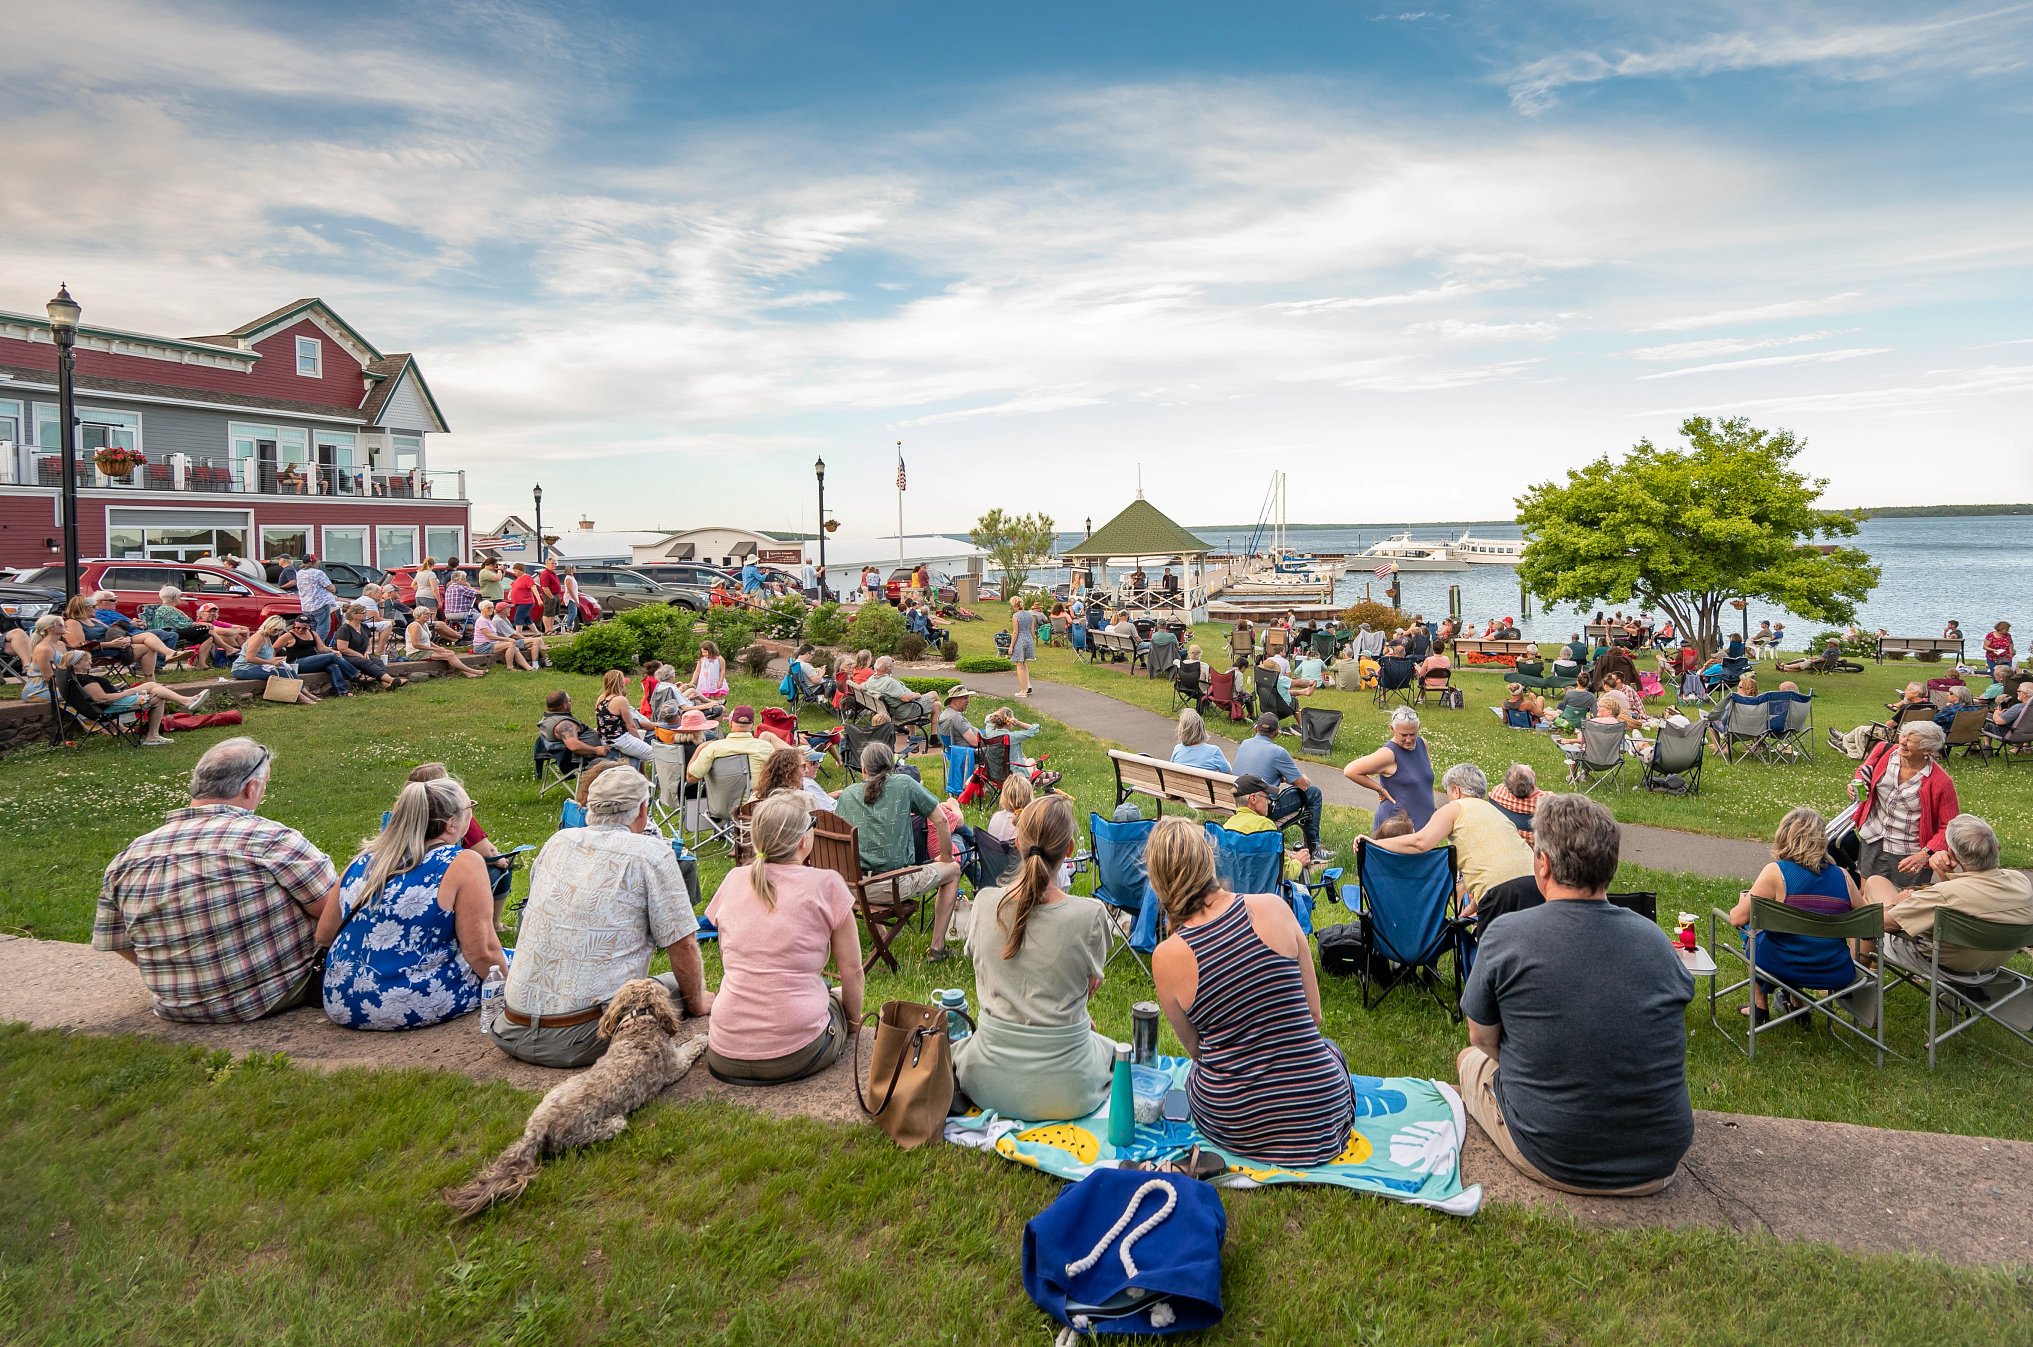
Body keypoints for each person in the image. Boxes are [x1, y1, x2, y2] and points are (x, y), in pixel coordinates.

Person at [1458, 793, 1693, 1196]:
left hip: (1556, 1156)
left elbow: (1481, 1037)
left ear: (1543, 863)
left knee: (1468, 1059)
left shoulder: (1506, 934)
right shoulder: (1655, 941)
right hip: (1659, 1163)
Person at [1146, 817, 1354, 1166]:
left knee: (1199, 1074)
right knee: (1330, 1050)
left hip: (1236, 1121)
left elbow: (1198, 1051)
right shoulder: (1273, 907)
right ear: (1209, 857)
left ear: (1158, 881)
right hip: (1319, 1114)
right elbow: (1314, 1015)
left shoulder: (1166, 957)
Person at [94, 738, 338, 1022]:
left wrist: (188, 975)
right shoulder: (272, 840)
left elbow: (117, 940)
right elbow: (335, 909)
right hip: (270, 995)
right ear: (252, 788)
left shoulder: (130, 855)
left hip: (175, 1005)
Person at [490, 768, 713, 1067]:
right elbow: (683, 944)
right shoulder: (650, 852)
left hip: (509, 1025)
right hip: (582, 1036)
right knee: (676, 985)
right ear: (643, 810)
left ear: (588, 806)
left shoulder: (557, 842)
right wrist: (697, 1004)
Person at [954, 794, 1115, 1120]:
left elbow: (983, 967)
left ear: (1017, 842)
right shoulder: (1090, 915)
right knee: (1114, 1054)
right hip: (1070, 1089)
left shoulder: (985, 903)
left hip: (985, 1080)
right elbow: (1087, 985)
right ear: (1068, 851)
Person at [317, 776, 505, 1029]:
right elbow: (481, 952)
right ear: (451, 824)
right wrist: (514, 993)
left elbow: (325, 935)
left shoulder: (363, 860)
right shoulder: (463, 862)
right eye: (470, 807)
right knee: (516, 962)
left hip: (341, 1002)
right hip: (410, 1003)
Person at [699, 791, 862, 1083]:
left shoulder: (733, 879)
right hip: (797, 1053)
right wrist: (853, 1024)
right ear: (803, 840)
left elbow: (733, 957)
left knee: (821, 989)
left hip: (723, 1051)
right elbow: (852, 971)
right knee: (834, 995)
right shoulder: (826, 885)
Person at [1722, 807, 1862, 1020]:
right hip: (1834, 970)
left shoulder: (1776, 872)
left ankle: (1760, 1005)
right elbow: (1866, 921)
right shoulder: (1843, 876)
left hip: (1783, 964)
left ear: (1785, 836)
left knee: (1755, 928)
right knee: (1791, 936)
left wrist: (1743, 901)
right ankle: (1797, 1001)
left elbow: (1737, 919)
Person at [834, 741, 963, 963]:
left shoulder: (847, 794)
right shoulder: (904, 784)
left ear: (863, 769)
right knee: (952, 870)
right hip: (893, 887)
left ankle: (882, 939)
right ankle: (937, 948)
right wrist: (946, 856)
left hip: (853, 889)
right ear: (891, 767)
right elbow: (941, 820)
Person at [1859, 814, 2033, 978]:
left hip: (1944, 967)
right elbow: (1956, 900)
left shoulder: (1944, 895)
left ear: (1953, 854)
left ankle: (1857, 969)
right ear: (1998, 848)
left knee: (1875, 883)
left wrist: (1896, 905)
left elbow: (1882, 923)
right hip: (1991, 965)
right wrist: (1943, 875)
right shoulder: (2021, 882)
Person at [1370, 762, 1537, 918]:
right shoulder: (1495, 812)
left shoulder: (1454, 808)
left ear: (1456, 790)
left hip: (1499, 891)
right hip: (1535, 883)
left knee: (1493, 946)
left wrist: (1374, 844)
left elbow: (1420, 843)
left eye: (1448, 792)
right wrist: (1474, 904)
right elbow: (1498, 863)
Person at [1848, 720, 1958, 893]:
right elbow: (1865, 769)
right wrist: (1859, 784)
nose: (1902, 742)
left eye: (1910, 740)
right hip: (1873, 837)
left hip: (1909, 851)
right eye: (1903, 735)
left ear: (1926, 750)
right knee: (1867, 892)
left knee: (1908, 901)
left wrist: (1924, 855)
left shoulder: (1941, 782)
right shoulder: (1884, 751)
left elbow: (1950, 826)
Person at [1232, 713, 1330, 861]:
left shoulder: (1244, 744)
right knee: (1314, 793)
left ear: (1255, 729)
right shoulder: (1278, 752)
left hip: (1237, 803)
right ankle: (1313, 847)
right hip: (1263, 807)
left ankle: (1312, 846)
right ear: (1277, 732)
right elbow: (1302, 785)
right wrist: (1296, 779)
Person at [1343, 706, 1435, 832]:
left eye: (1412, 734)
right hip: (1397, 827)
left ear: (1418, 728)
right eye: (1403, 735)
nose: (1409, 739)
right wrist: (1380, 790)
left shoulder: (1422, 744)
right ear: (1392, 729)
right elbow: (1350, 770)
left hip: (1424, 822)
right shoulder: (1388, 754)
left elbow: (1427, 782)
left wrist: (1433, 812)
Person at [686, 704, 785, 794]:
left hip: (721, 809)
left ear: (730, 724)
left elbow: (691, 778)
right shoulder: (766, 748)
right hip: (754, 808)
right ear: (752, 725)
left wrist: (700, 748)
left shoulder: (713, 748)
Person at [230, 616, 321, 702]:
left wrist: (274, 660)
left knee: (290, 670)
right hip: (243, 669)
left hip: (256, 667)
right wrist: (271, 662)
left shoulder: (267, 637)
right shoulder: (258, 638)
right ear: (268, 625)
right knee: (282, 672)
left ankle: (307, 694)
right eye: (275, 629)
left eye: (279, 630)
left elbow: (263, 656)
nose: (276, 632)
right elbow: (249, 658)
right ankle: (300, 697)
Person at [141, 587, 218, 670]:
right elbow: (178, 625)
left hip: (179, 632)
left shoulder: (173, 609)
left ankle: (201, 664)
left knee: (207, 637)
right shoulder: (165, 609)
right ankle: (229, 649)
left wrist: (184, 615)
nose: (180, 598)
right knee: (205, 628)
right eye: (179, 596)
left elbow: (187, 622)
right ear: (174, 597)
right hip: (170, 633)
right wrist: (193, 624)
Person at [403, 606, 488, 677]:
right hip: (416, 653)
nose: (429, 615)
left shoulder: (424, 624)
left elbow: (428, 641)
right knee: (449, 655)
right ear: (419, 615)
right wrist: (436, 650)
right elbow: (416, 644)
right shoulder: (415, 626)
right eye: (427, 614)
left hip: (425, 650)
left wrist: (438, 648)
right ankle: (472, 671)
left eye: (429, 614)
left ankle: (467, 673)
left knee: (450, 652)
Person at [331, 605, 401, 688]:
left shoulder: (364, 627)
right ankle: (391, 680)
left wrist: (367, 652)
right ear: (354, 615)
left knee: (378, 661)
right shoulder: (344, 629)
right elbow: (342, 648)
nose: (366, 614)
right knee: (365, 662)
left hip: (361, 654)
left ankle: (384, 682)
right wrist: (359, 655)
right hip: (345, 656)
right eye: (363, 613)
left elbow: (369, 642)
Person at [539, 690, 612, 769]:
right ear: (565, 705)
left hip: (589, 752)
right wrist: (596, 750)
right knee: (621, 757)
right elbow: (574, 746)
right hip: (589, 758)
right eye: (569, 701)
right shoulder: (563, 725)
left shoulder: (548, 719)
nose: (570, 703)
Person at [595, 669, 658, 761]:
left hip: (605, 739)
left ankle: (642, 774)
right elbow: (631, 726)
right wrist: (640, 742)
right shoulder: (620, 700)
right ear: (621, 683)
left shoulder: (601, 699)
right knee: (656, 755)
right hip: (620, 739)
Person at [862, 654, 939, 727]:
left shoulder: (871, 679)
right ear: (886, 668)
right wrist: (915, 695)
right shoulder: (889, 683)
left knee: (936, 704)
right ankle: (940, 721)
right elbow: (905, 699)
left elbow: (861, 687)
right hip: (903, 711)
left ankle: (912, 735)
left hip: (893, 710)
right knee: (934, 695)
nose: (892, 669)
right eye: (891, 667)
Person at [470, 598, 536, 671]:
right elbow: (489, 636)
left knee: (515, 648)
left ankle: (529, 668)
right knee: (511, 644)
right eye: (488, 608)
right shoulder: (482, 620)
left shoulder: (488, 620)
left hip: (490, 644)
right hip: (482, 646)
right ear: (482, 609)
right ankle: (510, 667)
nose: (491, 610)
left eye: (492, 608)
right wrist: (507, 639)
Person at [1488, 764, 1546, 842]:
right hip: (1535, 850)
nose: (1528, 766)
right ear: (1532, 787)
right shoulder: (1547, 803)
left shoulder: (1496, 793)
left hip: (1507, 840)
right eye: (1531, 771)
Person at [295, 555, 342, 642]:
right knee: (323, 627)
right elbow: (331, 587)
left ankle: (311, 645)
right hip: (320, 604)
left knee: (313, 628)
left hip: (306, 606)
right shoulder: (318, 573)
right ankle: (318, 646)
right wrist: (334, 590)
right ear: (314, 562)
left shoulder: (299, 573)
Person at [1171, 706, 1230, 773]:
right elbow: (1228, 773)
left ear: (1181, 731)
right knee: (1227, 764)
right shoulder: (1214, 752)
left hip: (1180, 783)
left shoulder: (1177, 749)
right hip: (1205, 783)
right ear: (1201, 728)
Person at [987, 773, 1033, 843]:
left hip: (991, 853)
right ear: (1029, 797)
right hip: (1015, 853)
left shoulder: (995, 816)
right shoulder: (1029, 824)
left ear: (1004, 797)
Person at [1010, 597, 1039, 699]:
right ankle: (1028, 684)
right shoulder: (1029, 614)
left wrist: (1011, 646)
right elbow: (1032, 630)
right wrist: (1032, 640)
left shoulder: (1016, 616)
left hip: (1020, 640)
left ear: (1014, 605)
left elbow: (1015, 632)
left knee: (1019, 664)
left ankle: (1023, 690)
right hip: (1028, 640)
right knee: (1024, 663)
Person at [505, 564, 539, 630]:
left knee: (518, 618)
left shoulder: (527, 578)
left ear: (522, 571)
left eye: (517, 571)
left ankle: (518, 633)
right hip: (518, 602)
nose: (515, 573)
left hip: (525, 602)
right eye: (514, 571)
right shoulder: (518, 578)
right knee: (527, 618)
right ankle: (537, 633)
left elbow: (534, 589)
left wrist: (539, 599)